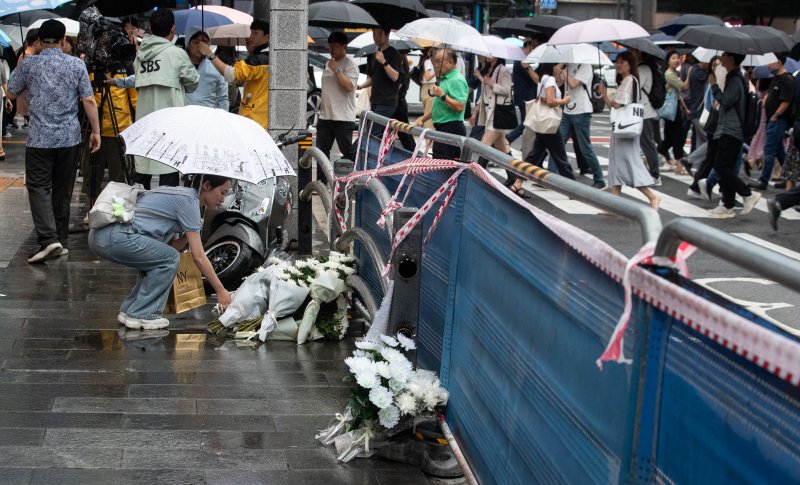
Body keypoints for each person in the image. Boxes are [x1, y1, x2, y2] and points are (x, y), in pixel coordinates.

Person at [7, 20, 101, 263]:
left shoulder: (30, 65)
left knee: (38, 187)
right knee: (63, 189)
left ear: (39, 40)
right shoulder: (76, 64)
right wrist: (96, 131)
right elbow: (89, 101)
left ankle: (48, 239)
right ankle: (61, 239)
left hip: (39, 138)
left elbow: (11, 92)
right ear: (62, 41)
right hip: (69, 137)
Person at [88, 174, 233, 330]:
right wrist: (220, 290)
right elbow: (198, 257)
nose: (223, 200)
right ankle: (143, 314)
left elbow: (168, 249)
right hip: (114, 236)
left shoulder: (180, 194)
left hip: (101, 235)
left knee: (161, 260)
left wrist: (187, 234)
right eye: (222, 192)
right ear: (207, 185)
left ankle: (130, 310)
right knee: (169, 259)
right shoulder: (189, 202)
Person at [132, 9, 199, 190]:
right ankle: (165, 216)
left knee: (140, 179)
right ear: (173, 28)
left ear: (151, 28)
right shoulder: (177, 54)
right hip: (171, 126)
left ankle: (138, 215)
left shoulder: (140, 56)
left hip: (144, 126)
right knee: (168, 179)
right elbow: (193, 82)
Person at [598, 52, 660, 210]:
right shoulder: (626, 81)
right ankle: (614, 206)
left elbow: (616, 105)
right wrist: (606, 95)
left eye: (622, 62)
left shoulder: (629, 80)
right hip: (622, 130)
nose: (618, 65)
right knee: (616, 167)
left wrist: (605, 95)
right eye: (617, 62)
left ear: (630, 64)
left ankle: (653, 196)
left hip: (625, 130)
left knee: (628, 165)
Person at [705, 52, 761, 218]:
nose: (721, 58)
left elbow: (726, 101)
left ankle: (748, 193)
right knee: (726, 167)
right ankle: (727, 205)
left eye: (724, 55)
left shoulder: (736, 79)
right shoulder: (734, 77)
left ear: (731, 58)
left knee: (721, 166)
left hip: (731, 129)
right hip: (730, 129)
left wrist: (714, 85)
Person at [199, 19, 270, 128]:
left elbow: (231, 75)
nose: (251, 36)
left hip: (255, 118)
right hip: (261, 117)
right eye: (251, 32)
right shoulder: (267, 56)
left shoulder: (259, 60)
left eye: (256, 33)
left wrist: (209, 54)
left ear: (268, 37)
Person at [472, 56, 521, 194]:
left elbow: (506, 90)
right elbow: (483, 93)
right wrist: (476, 111)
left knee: (484, 144)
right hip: (489, 112)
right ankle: (513, 177)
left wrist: (491, 83)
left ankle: (477, 177)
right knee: (502, 147)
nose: (488, 56)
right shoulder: (488, 70)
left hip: (497, 113)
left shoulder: (503, 70)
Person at [415, 48, 469, 160]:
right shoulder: (444, 79)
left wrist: (443, 95)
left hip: (451, 128)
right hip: (442, 128)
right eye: (436, 61)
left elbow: (460, 106)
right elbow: (438, 106)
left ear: (450, 63)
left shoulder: (457, 79)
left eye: (439, 61)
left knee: (444, 168)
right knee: (439, 165)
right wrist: (423, 118)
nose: (437, 65)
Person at [751, 53, 795, 190]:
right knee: (779, 151)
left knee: (769, 149)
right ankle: (789, 177)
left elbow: (786, 100)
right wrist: (766, 100)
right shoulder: (775, 78)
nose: (769, 65)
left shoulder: (787, 79)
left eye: (771, 62)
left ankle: (763, 180)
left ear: (779, 62)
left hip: (778, 120)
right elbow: (771, 93)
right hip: (771, 118)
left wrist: (776, 115)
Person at [316, 31, 359, 171]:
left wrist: (337, 70)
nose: (331, 50)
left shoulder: (350, 65)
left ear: (343, 47)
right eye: (330, 46)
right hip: (325, 117)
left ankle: (357, 178)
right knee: (321, 153)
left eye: (334, 46)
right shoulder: (328, 64)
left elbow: (348, 87)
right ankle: (323, 182)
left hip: (343, 118)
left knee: (347, 152)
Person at [524, 63, 574, 180]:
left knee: (533, 157)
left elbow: (545, 98)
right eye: (559, 66)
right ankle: (575, 189)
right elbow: (550, 101)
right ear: (552, 66)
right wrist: (564, 100)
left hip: (543, 123)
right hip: (549, 124)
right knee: (561, 159)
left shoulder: (543, 78)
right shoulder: (550, 79)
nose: (560, 69)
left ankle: (517, 181)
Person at [561, 60, 606, 188]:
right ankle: (552, 176)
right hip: (567, 109)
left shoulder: (585, 66)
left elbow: (573, 83)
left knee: (585, 147)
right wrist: (560, 69)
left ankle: (599, 179)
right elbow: (561, 83)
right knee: (558, 143)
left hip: (581, 110)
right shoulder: (569, 65)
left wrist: (564, 70)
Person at [357, 28, 402, 123]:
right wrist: (361, 86)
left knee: (372, 132)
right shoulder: (374, 55)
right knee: (374, 133)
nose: (376, 37)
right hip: (375, 100)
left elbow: (395, 77)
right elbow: (373, 78)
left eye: (379, 34)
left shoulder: (394, 54)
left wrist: (383, 61)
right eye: (374, 34)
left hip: (387, 102)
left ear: (387, 35)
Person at [633, 51, 663, 185]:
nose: (631, 53)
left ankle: (655, 175)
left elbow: (635, 88)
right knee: (638, 143)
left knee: (647, 144)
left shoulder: (643, 68)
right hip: (638, 112)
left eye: (633, 51)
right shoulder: (640, 67)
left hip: (645, 112)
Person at [657, 50, 690, 167]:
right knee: (678, 137)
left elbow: (677, 94)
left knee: (670, 139)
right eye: (673, 58)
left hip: (675, 110)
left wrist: (685, 109)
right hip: (672, 111)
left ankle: (653, 154)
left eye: (678, 58)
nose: (676, 60)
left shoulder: (674, 73)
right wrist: (690, 72)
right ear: (668, 61)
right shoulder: (669, 74)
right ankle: (679, 164)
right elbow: (684, 87)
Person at [506, 39, 540, 146]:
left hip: (523, 97)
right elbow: (535, 80)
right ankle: (509, 138)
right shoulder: (523, 62)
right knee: (527, 123)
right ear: (524, 48)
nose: (531, 51)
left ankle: (525, 145)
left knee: (527, 123)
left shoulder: (522, 61)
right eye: (529, 48)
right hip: (526, 97)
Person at [184, 29, 228, 109]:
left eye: (205, 42)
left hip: (208, 117)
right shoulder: (181, 65)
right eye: (196, 42)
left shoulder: (216, 67)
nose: (201, 46)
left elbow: (223, 98)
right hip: (183, 116)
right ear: (188, 45)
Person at [15, 29, 42, 129]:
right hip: (28, 99)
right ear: (36, 42)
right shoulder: (28, 58)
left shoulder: (24, 56)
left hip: (25, 99)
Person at [418, 47, 436, 129]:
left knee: (426, 112)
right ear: (428, 51)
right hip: (430, 88)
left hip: (425, 88)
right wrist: (436, 72)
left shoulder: (423, 61)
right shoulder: (428, 62)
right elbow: (428, 77)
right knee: (429, 114)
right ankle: (429, 137)